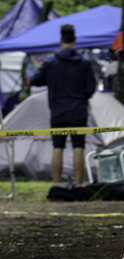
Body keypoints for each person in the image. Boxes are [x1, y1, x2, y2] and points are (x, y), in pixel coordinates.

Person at [31, 24, 96, 185]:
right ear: (75, 39)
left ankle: (57, 185)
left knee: (57, 147)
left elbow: (34, 80)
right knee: (78, 147)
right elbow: (91, 88)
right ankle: (79, 185)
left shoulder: (50, 61)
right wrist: (82, 97)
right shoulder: (84, 62)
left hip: (58, 111)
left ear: (61, 39)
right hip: (79, 111)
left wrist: (52, 81)